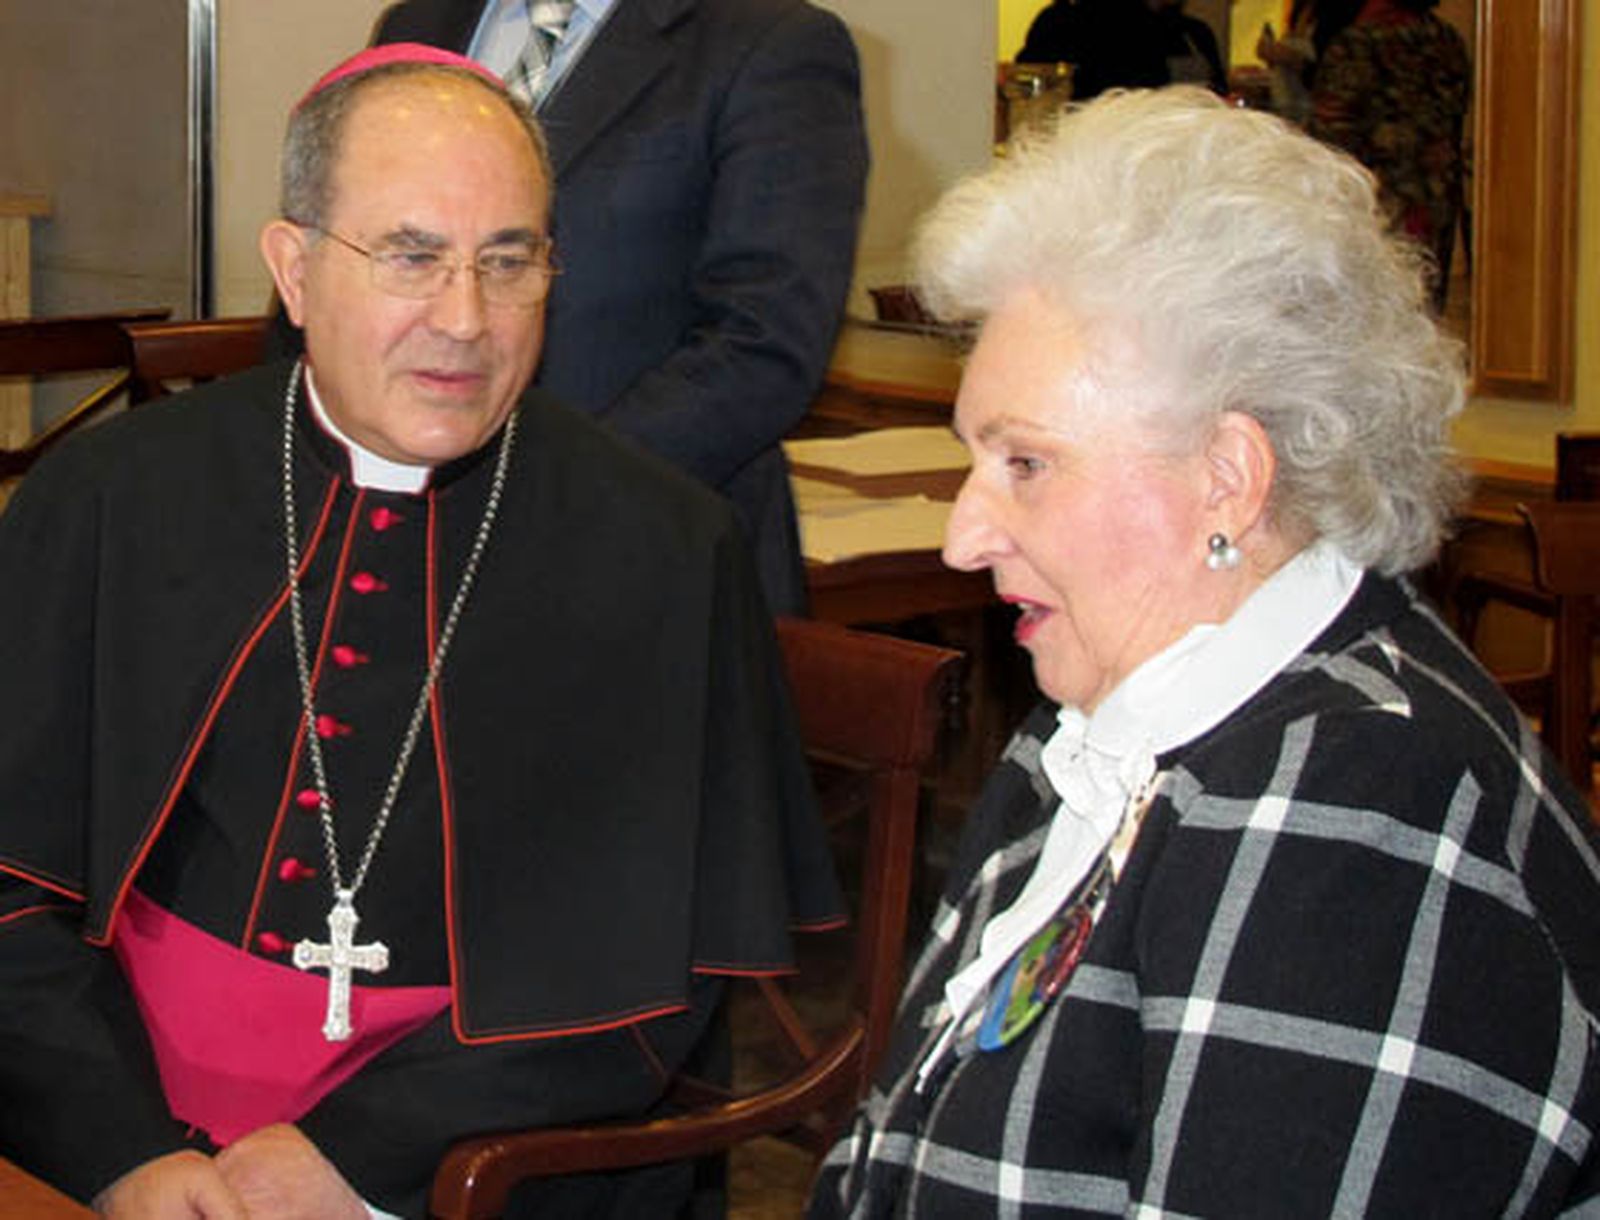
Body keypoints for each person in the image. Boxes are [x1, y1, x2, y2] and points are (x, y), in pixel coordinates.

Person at [0, 45, 840, 1220]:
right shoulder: (113, 494)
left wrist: (356, 1158)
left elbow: (645, 983)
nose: (465, 319)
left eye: (510, 261)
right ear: (295, 270)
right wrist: (115, 1147)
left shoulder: (663, 547)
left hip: (487, 1160)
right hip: (115, 1124)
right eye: (411, 256)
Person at [809, 87, 1600, 1217]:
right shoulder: (1101, 728)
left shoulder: (1355, 807)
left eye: (1025, 463)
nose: (964, 536)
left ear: (1228, 477)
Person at [287, 0, 870, 617]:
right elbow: (333, 252)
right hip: (396, 537)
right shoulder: (421, 24)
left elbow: (767, 339)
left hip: (642, 552)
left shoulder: (769, 42)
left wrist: (547, 494)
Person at [1308, 0, 1470, 312]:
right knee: (1425, 299)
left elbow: (1331, 129)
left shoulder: (1359, 43)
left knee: (1368, 304)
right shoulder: (1445, 37)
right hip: (1436, 189)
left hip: (1373, 195)